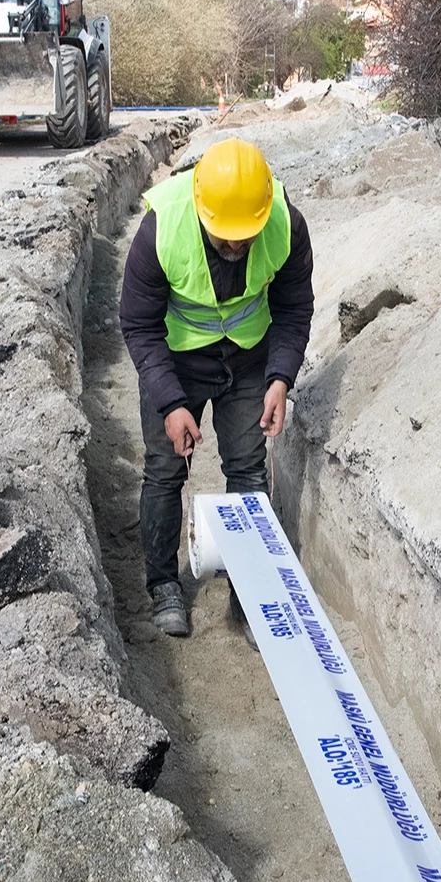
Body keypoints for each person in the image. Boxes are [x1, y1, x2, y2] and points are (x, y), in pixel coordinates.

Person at [118, 138, 315, 641]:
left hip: (249, 359)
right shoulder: (162, 228)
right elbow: (138, 326)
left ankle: (248, 595)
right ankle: (163, 584)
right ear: (203, 210)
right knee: (165, 470)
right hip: (177, 359)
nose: (235, 247)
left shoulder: (284, 225)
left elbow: (294, 310)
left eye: (243, 237)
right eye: (224, 237)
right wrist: (169, 401)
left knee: (248, 470)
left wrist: (279, 379)